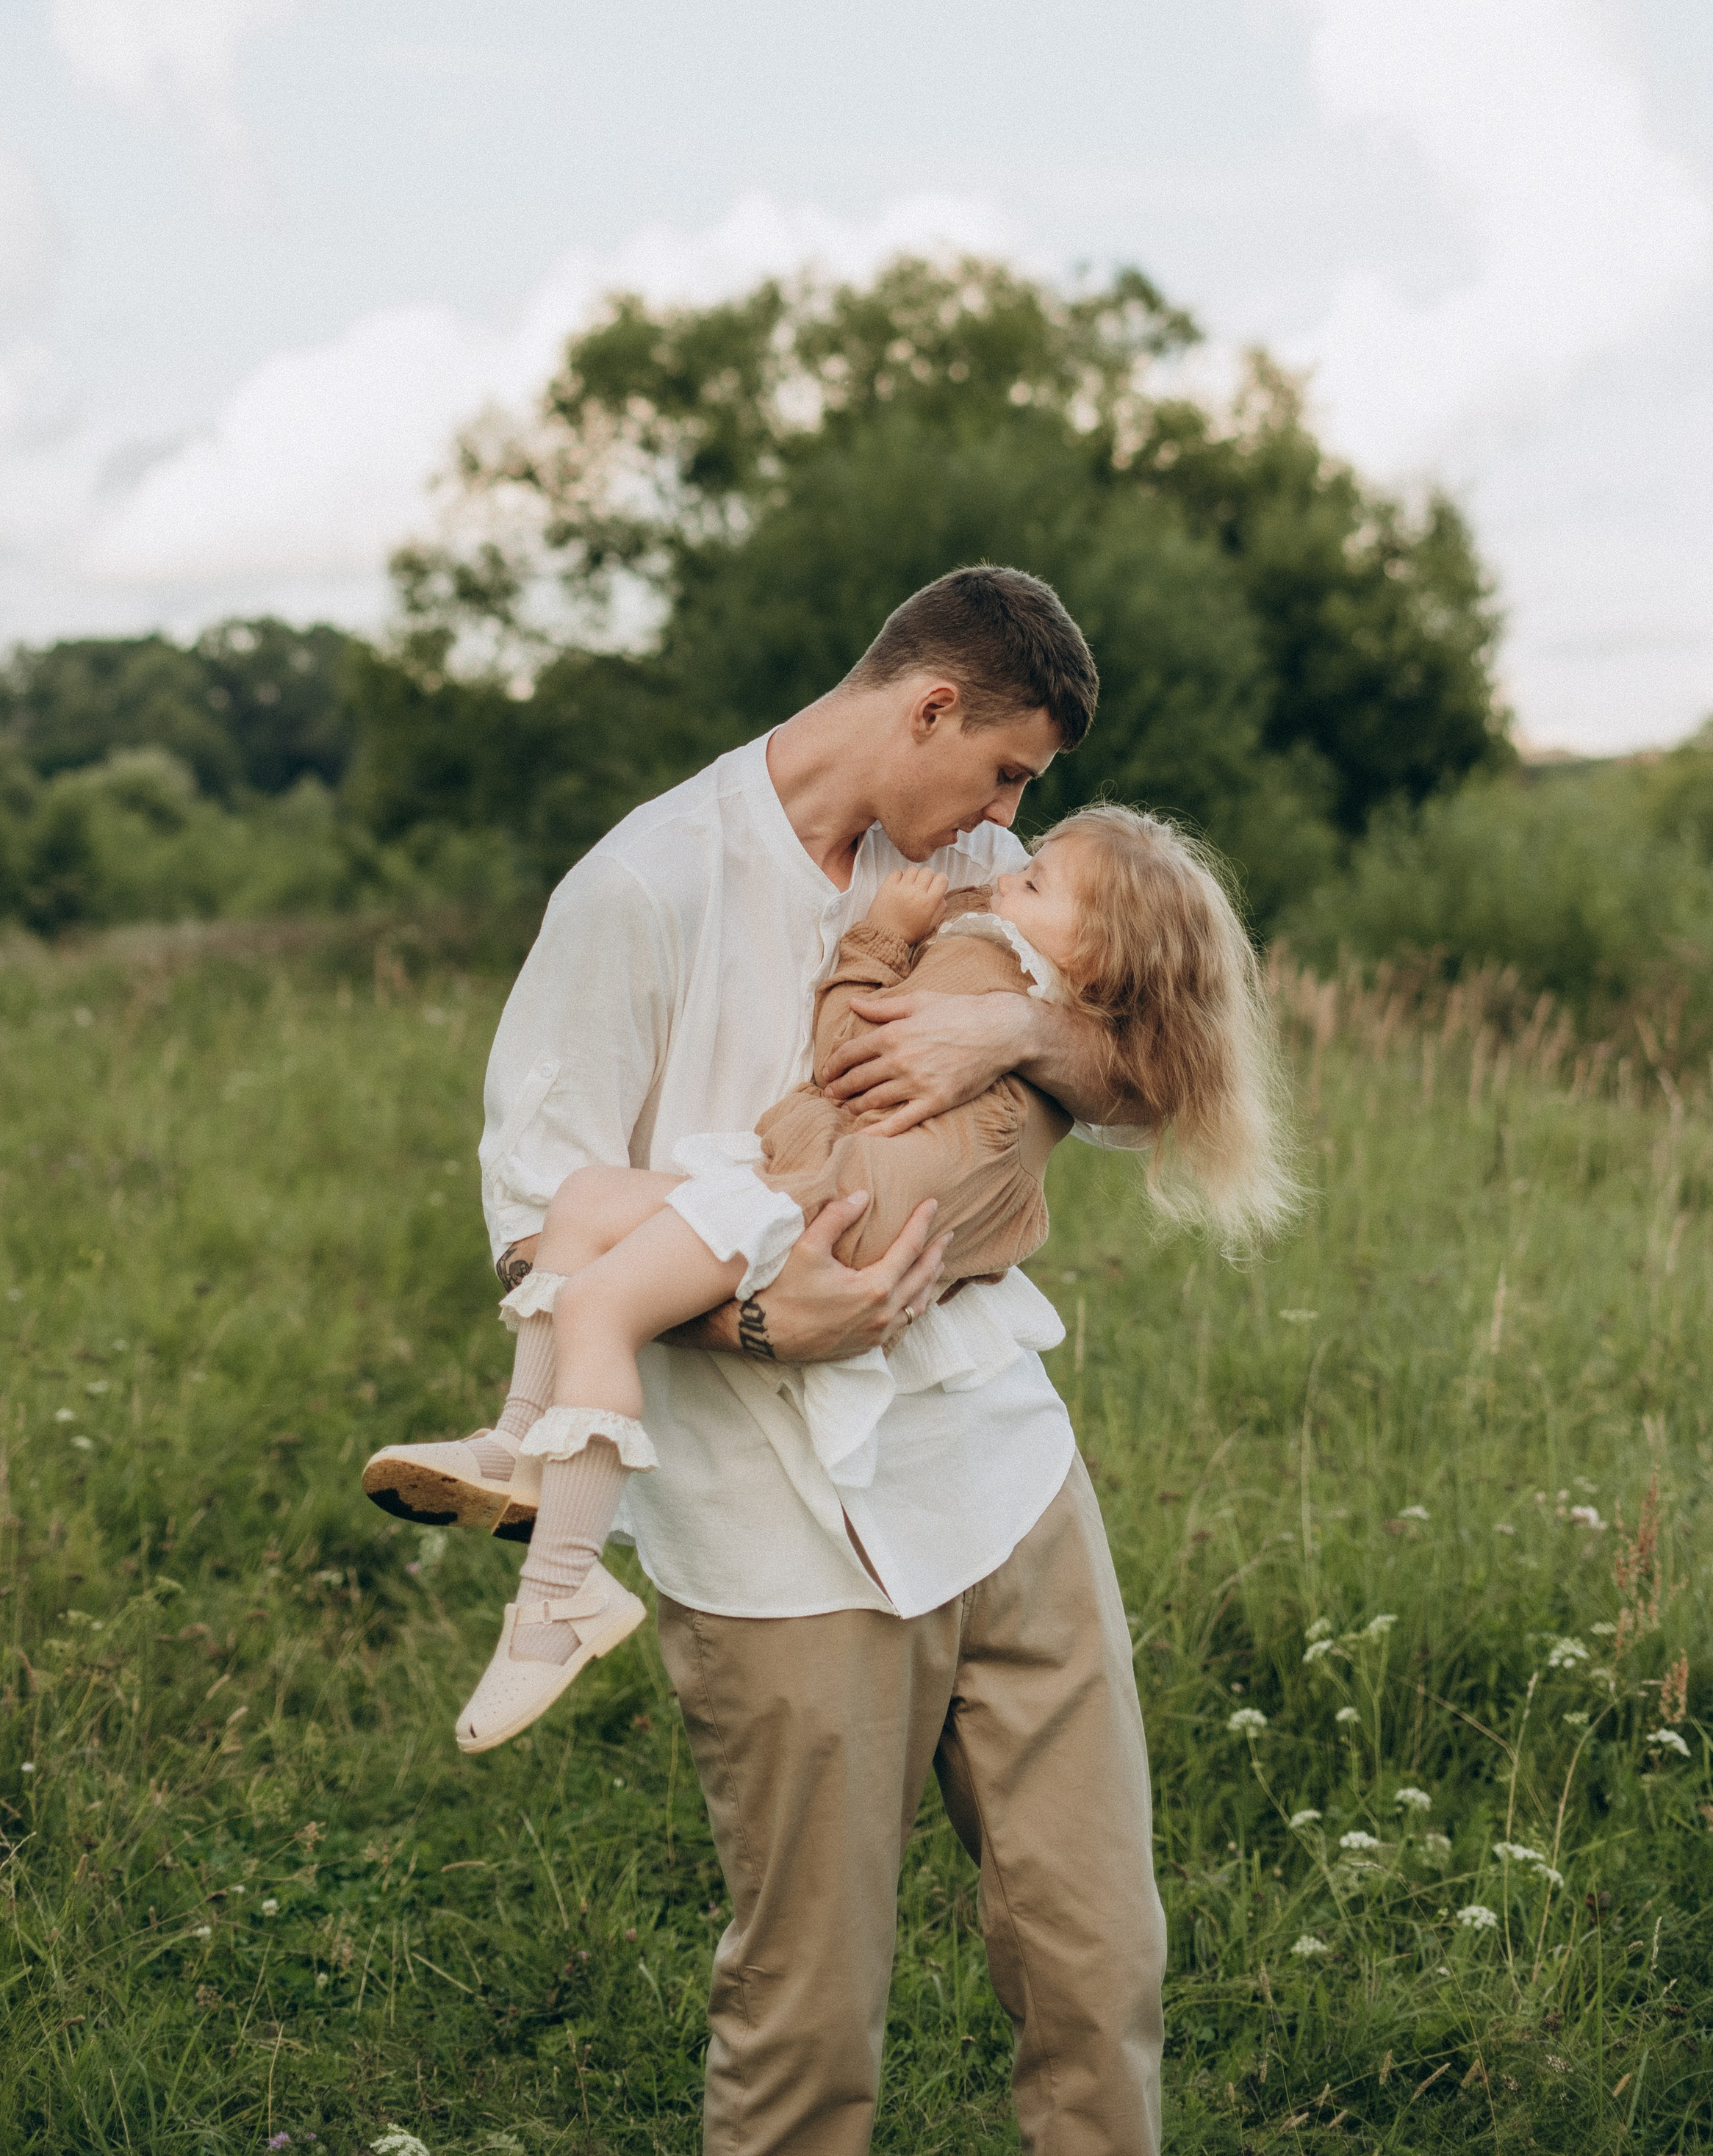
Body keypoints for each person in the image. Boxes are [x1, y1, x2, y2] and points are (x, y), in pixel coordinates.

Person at [367, 567, 1205, 2154]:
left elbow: (1153, 1079)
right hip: (775, 1530)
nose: (1010, 816)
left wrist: (1015, 1039)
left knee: (1100, 1962)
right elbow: (540, 1213)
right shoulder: (643, 888)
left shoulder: (977, 865)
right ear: (930, 706)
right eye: (1007, 770)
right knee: (808, 2013)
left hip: (1001, 1473)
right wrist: (761, 1315)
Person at [370, 805, 1288, 1753]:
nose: (1010, 858)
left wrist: (883, 937)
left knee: (601, 1302)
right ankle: (522, 1443)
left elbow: (846, 1046)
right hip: (811, 1186)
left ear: (1099, 953)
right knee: (586, 1204)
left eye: (1038, 880)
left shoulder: (989, 961)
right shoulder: (1014, 957)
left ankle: (560, 1592)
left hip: (830, 1204)